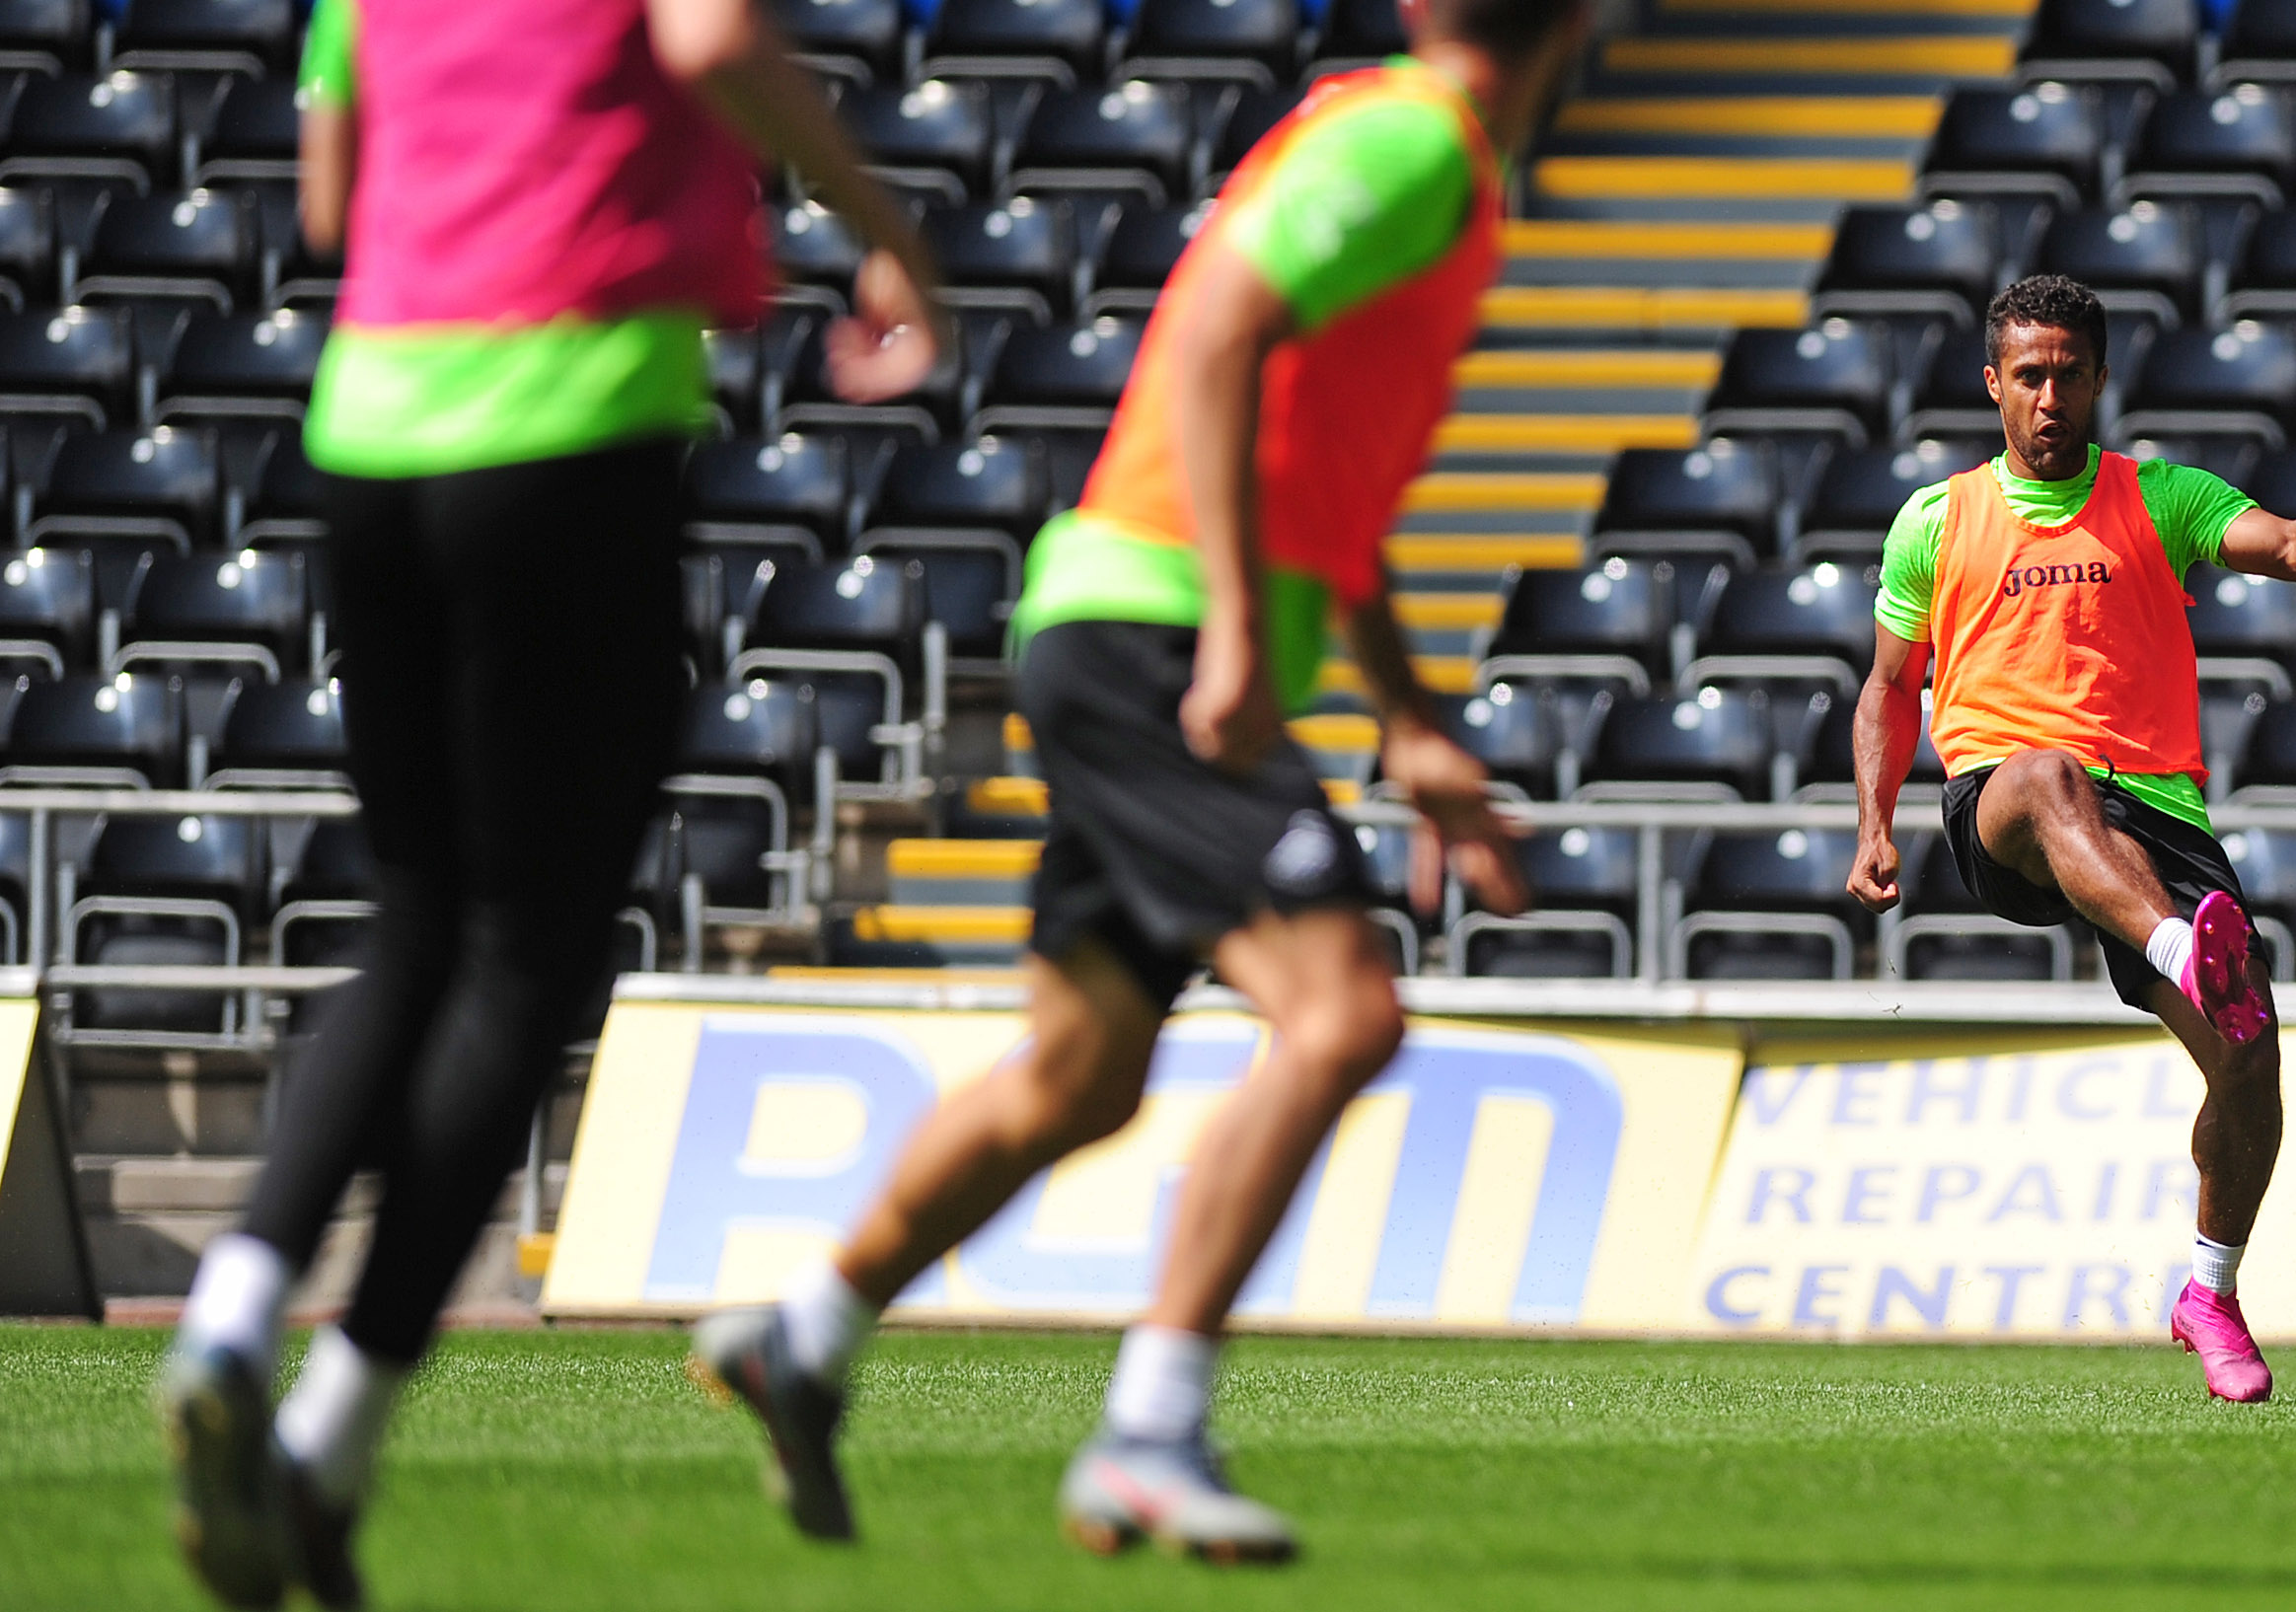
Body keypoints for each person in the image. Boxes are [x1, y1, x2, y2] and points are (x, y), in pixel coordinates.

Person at [686, 0, 1581, 1565]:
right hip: (1153, 621)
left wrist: (1411, 717)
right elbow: (1223, 324)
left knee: (1083, 1067)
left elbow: (1328, 478)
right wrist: (1237, 617)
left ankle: (805, 1332)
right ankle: (1150, 1430)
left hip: (1127, 617)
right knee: (1344, 1008)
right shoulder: (1410, 143)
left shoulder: (1449, 173)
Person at [155, 1, 945, 1608]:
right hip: (567, 428)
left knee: (416, 915)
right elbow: (717, 34)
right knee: (528, 954)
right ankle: (330, 1434)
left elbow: (330, 204)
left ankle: (228, 1312)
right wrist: (885, 233)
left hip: (372, 425)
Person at [1846, 273, 2296, 1402]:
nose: (2049, 394)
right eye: (2028, 373)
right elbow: (1889, 686)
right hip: (2004, 803)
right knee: (2044, 773)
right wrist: (1873, 825)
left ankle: (2209, 1290)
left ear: (2101, 379)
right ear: (1993, 383)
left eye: (2070, 372)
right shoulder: (1935, 518)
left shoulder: (2162, 496)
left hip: (2156, 818)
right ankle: (2183, 951)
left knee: (2251, 1057)